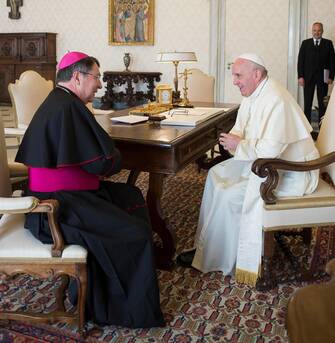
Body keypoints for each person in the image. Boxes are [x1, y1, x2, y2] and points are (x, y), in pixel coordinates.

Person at [15, 51, 165, 328]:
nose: (99, 84)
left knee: (131, 196)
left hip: (64, 197)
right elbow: (102, 163)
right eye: (96, 77)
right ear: (77, 77)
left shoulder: (63, 102)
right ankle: (118, 308)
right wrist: (115, 157)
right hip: (56, 210)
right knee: (136, 233)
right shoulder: (68, 107)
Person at [177, 53, 319, 286]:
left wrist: (239, 144)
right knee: (215, 174)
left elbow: (271, 150)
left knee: (231, 195)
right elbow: (242, 127)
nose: (234, 81)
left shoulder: (275, 99)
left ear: (256, 74)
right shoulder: (254, 93)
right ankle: (206, 248)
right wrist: (235, 139)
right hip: (269, 163)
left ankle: (225, 258)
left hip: (293, 171)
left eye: (238, 75)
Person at [297, 22, 335, 123]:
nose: (316, 32)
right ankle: (307, 128)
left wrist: (331, 76)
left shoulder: (328, 43)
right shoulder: (305, 43)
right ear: (312, 31)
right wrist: (300, 76)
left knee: (322, 104)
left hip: (323, 78)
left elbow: (332, 61)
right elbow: (300, 61)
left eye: (319, 30)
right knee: (307, 103)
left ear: (322, 31)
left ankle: (321, 128)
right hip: (308, 77)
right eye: (314, 30)